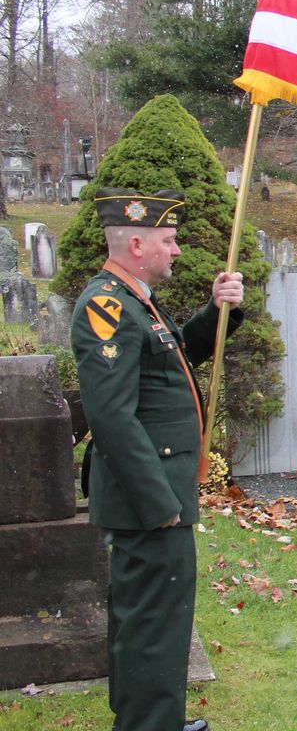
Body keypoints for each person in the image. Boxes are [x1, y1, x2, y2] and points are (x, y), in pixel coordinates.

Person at [70, 187, 245, 731]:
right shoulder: (107, 306)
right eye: (169, 241)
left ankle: (148, 722)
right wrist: (160, 504)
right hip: (149, 503)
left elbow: (175, 358)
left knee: (149, 622)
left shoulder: (135, 300)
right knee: (153, 625)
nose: (178, 250)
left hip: (157, 498)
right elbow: (112, 419)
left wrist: (219, 311)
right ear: (137, 243)